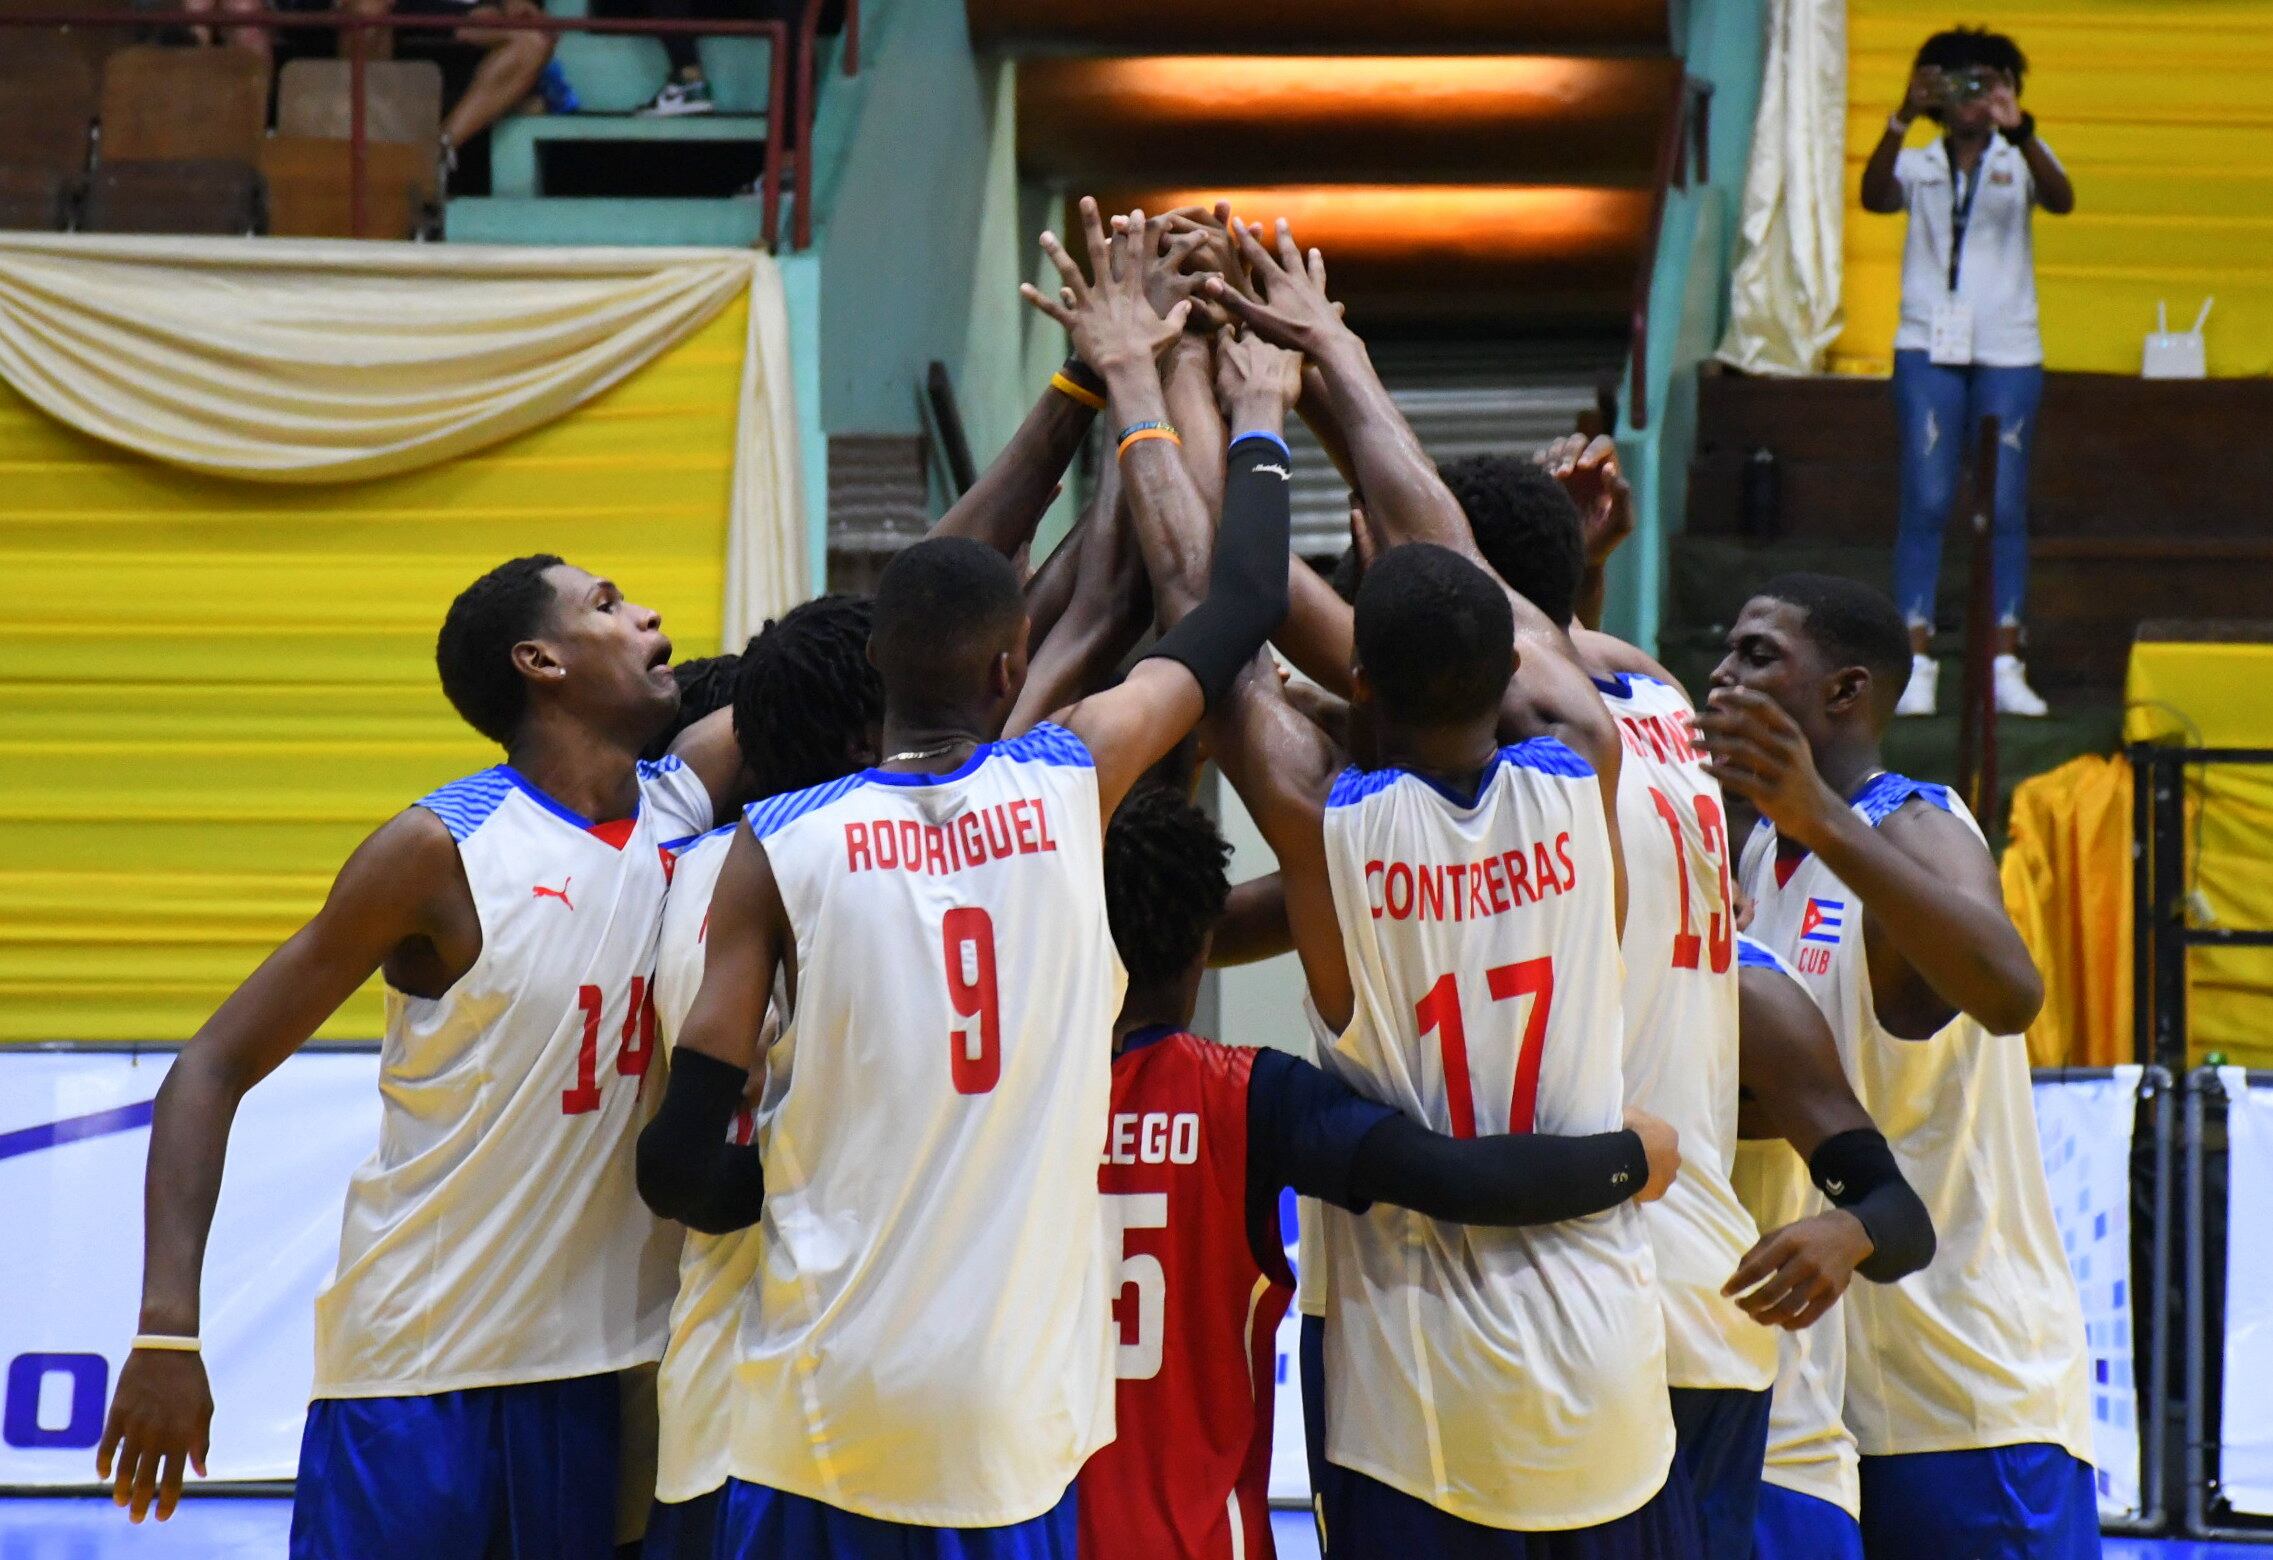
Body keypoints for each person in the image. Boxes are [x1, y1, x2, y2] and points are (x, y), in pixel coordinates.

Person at [638, 200, 1293, 1556]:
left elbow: (678, 1161)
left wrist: (807, 1191)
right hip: (1002, 1425)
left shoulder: (777, 845)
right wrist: (1226, 400)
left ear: (871, 667)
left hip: (817, 1408)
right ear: (1009, 673)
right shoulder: (1068, 778)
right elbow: (1229, 611)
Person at [96, 555, 747, 1557]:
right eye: (606, 605)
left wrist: (1066, 414)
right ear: (542, 661)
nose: (646, 613)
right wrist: (166, 1330)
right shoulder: (438, 849)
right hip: (416, 1377)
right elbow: (210, 1067)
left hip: (596, 1378)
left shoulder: (681, 804)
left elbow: (840, 650)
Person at [1696, 573, 2096, 1559]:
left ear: (1844, 692)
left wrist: (1822, 819)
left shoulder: (1916, 823)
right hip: (1831, 1401)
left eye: (1756, 655)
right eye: (1725, 649)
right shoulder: (1758, 858)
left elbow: (2008, 991)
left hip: (1968, 1400)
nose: (1720, 674)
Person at [1438, 448, 1777, 1558]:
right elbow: (1566, 659)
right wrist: (1567, 580)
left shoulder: (1508, 754)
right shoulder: (1661, 703)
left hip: (1597, 1291)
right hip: (1711, 1288)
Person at [642, 594, 882, 1560]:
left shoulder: (687, 869)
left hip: (753, 1394)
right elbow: (702, 1152)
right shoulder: (781, 875)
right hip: (763, 1407)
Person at [1860, 26, 2074, 719]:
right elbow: (1872, 196)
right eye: (1955, 83)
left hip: (2008, 350)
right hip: (1927, 345)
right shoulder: (1919, 161)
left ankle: (2003, 661)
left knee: (2004, 506)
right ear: (1933, 92)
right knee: (1924, 502)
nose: (1970, 97)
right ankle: (1914, 659)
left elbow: (2063, 197)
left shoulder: (2020, 159)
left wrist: (2023, 129)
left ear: (2008, 89)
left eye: (1984, 82)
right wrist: (1897, 115)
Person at [1729, 934, 1937, 1560]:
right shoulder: (1554, 970)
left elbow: (1901, 1215)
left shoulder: (1752, 992)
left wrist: (1851, 1232)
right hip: (1604, 1451)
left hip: (1773, 1462)